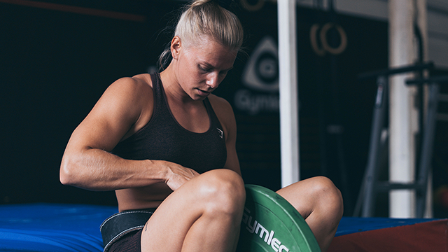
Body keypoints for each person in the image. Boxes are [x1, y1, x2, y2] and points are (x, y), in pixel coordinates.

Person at [60, 0, 343, 251]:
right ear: (176, 47)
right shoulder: (134, 92)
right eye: (205, 68)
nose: (214, 82)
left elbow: (239, 195)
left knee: (325, 195)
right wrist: (165, 171)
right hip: (144, 233)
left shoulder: (221, 110)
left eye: (224, 72)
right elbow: (73, 167)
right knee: (224, 185)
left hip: (216, 228)